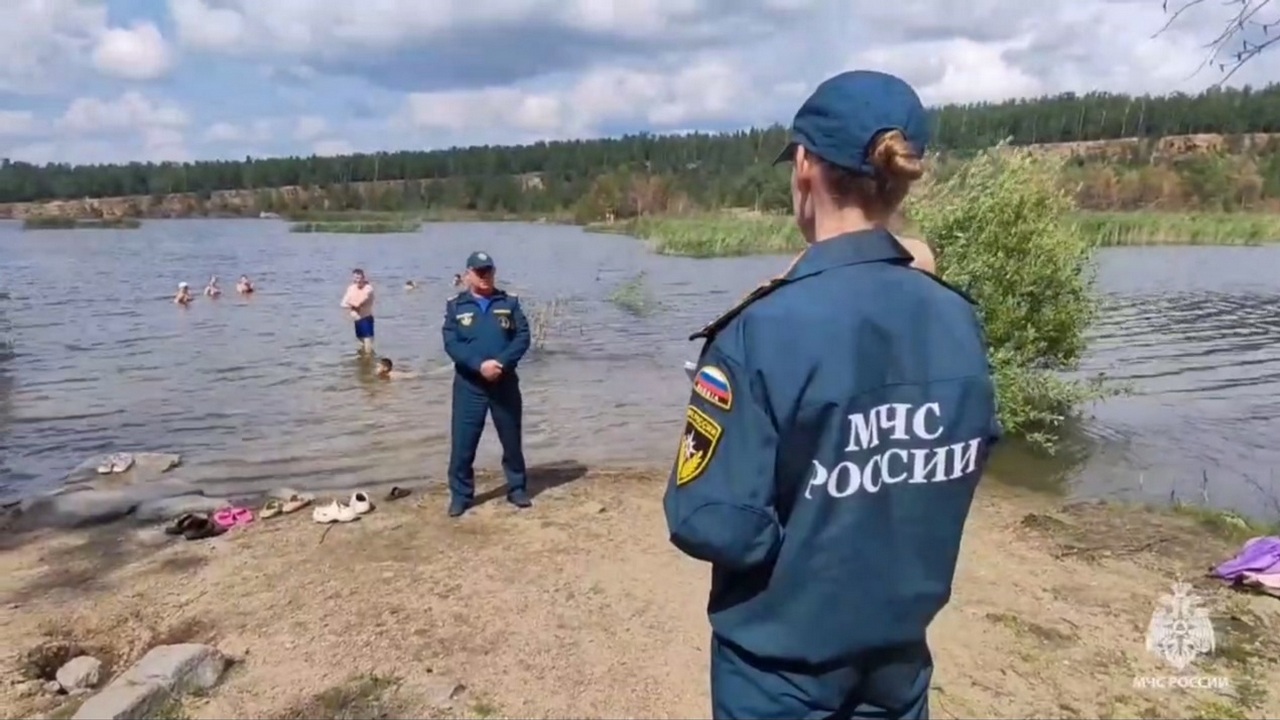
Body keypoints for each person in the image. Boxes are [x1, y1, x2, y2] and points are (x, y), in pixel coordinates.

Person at [662, 70, 1001, 720]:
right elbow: (963, 461)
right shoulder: (958, 319)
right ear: (899, 177)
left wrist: (801, 525)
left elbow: (709, 520)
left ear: (806, 165)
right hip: (899, 663)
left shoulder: (759, 331)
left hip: (778, 671)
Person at [441, 251, 532, 517]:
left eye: (488, 271)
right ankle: (461, 495)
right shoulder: (456, 306)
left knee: (511, 439)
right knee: (463, 443)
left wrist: (501, 363)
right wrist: (479, 365)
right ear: (468, 274)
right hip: (470, 385)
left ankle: (517, 489)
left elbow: (523, 337)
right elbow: (451, 343)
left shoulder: (510, 303)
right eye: (479, 272)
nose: (484, 277)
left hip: (504, 382)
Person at [341, 268, 376, 356]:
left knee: (367, 342)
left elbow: (358, 303)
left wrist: (350, 303)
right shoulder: (351, 288)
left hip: (366, 318)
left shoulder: (368, 289)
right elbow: (342, 304)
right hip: (357, 319)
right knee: (361, 342)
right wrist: (352, 304)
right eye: (356, 278)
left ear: (364, 278)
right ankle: (363, 360)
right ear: (353, 278)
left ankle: (368, 361)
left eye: (360, 278)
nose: (358, 280)